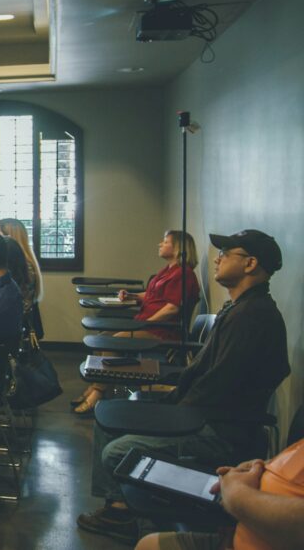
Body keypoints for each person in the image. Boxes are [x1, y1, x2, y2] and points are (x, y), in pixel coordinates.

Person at [77, 229, 290, 546]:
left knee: (116, 450)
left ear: (250, 264)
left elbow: (219, 387)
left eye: (226, 253)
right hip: (198, 412)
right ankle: (119, 508)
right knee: (106, 418)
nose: (217, 258)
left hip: (219, 430)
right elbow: (204, 375)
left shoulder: (254, 317)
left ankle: (133, 515)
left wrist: (168, 410)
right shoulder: (238, 309)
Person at [73, 230, 201, 415]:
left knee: (113, 342)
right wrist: (132, 295)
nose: (160, 244)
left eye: (165, 242)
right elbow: (151, 295)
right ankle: (97, 387)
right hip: (147, 325)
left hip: (161, 332)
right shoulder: (168, 271)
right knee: (103, 338)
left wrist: (145, 323)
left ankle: (98, 393)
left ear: (179, 248)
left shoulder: (184, 274)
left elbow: (172, 308)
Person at [135, 438, 304, 550]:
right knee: (149, 545)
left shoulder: (236, 497)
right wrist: (260, 467)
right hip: (240, 532)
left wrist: (236, 494)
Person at [0, 218, 43, 320]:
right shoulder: (27, 261)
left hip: (15, 322)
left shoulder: (18, 264)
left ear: (8, 238)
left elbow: (1, 298)